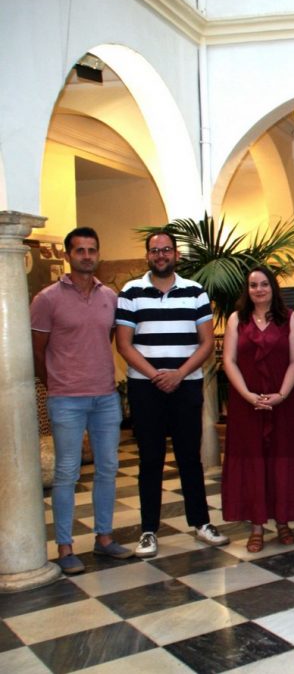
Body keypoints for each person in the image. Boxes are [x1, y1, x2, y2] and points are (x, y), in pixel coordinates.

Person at [115, 230, 227, 558]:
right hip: (145, 387)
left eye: (166, 250)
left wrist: (178, 373)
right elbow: (124, 343)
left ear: (175, 254)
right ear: (147, 255)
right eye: (155, 250)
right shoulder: (130, 292)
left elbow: (206, 342)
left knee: (189, 457)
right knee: (149, 459)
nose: (161, 255)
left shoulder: (195, 292)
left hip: (186, 384)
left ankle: (201, 522)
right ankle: (149, 529)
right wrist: (155, 376)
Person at [30, 227, 133, 573]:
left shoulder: (111, 297)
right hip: (66, 400)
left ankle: (104, 538)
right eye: (80, 251)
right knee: (66, 473)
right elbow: (38, 352)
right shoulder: (46, 299)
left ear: (98, 254)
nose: (87, 256)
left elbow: (111, 341)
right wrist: (58, 384)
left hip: (105, 396)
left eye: (92, 250)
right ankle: (65, 546)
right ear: (67, 255)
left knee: (107, 468)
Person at [221, 266, 294, 552]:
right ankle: (256, 526)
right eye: (253, 285)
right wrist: (249, 396)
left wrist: (282, 394)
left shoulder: (291, 318)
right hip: (246, 404)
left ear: (273, 288)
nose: (259, 289)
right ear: (247, 290)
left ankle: (284, 521)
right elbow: (229, 361)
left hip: (281, 402)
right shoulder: (236, 320)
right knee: (252, 463)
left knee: (282, 461)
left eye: (264, 284)